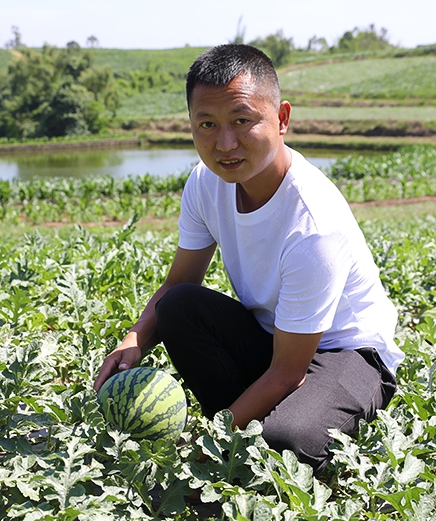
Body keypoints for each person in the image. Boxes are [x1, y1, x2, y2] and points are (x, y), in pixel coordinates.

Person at [94, 43, 404, 474]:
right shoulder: (205, 184)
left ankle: (252, 425)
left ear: (281, 119)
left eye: (242, 120)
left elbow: (287, 373)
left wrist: (212, 438)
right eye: (207, 124)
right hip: (276, 341)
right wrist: (134, 339)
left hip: (347, 353)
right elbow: (176, 283)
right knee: (179, 306)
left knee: (286, 442)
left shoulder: (313, 224)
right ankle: (243, 421)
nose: (225, 143)